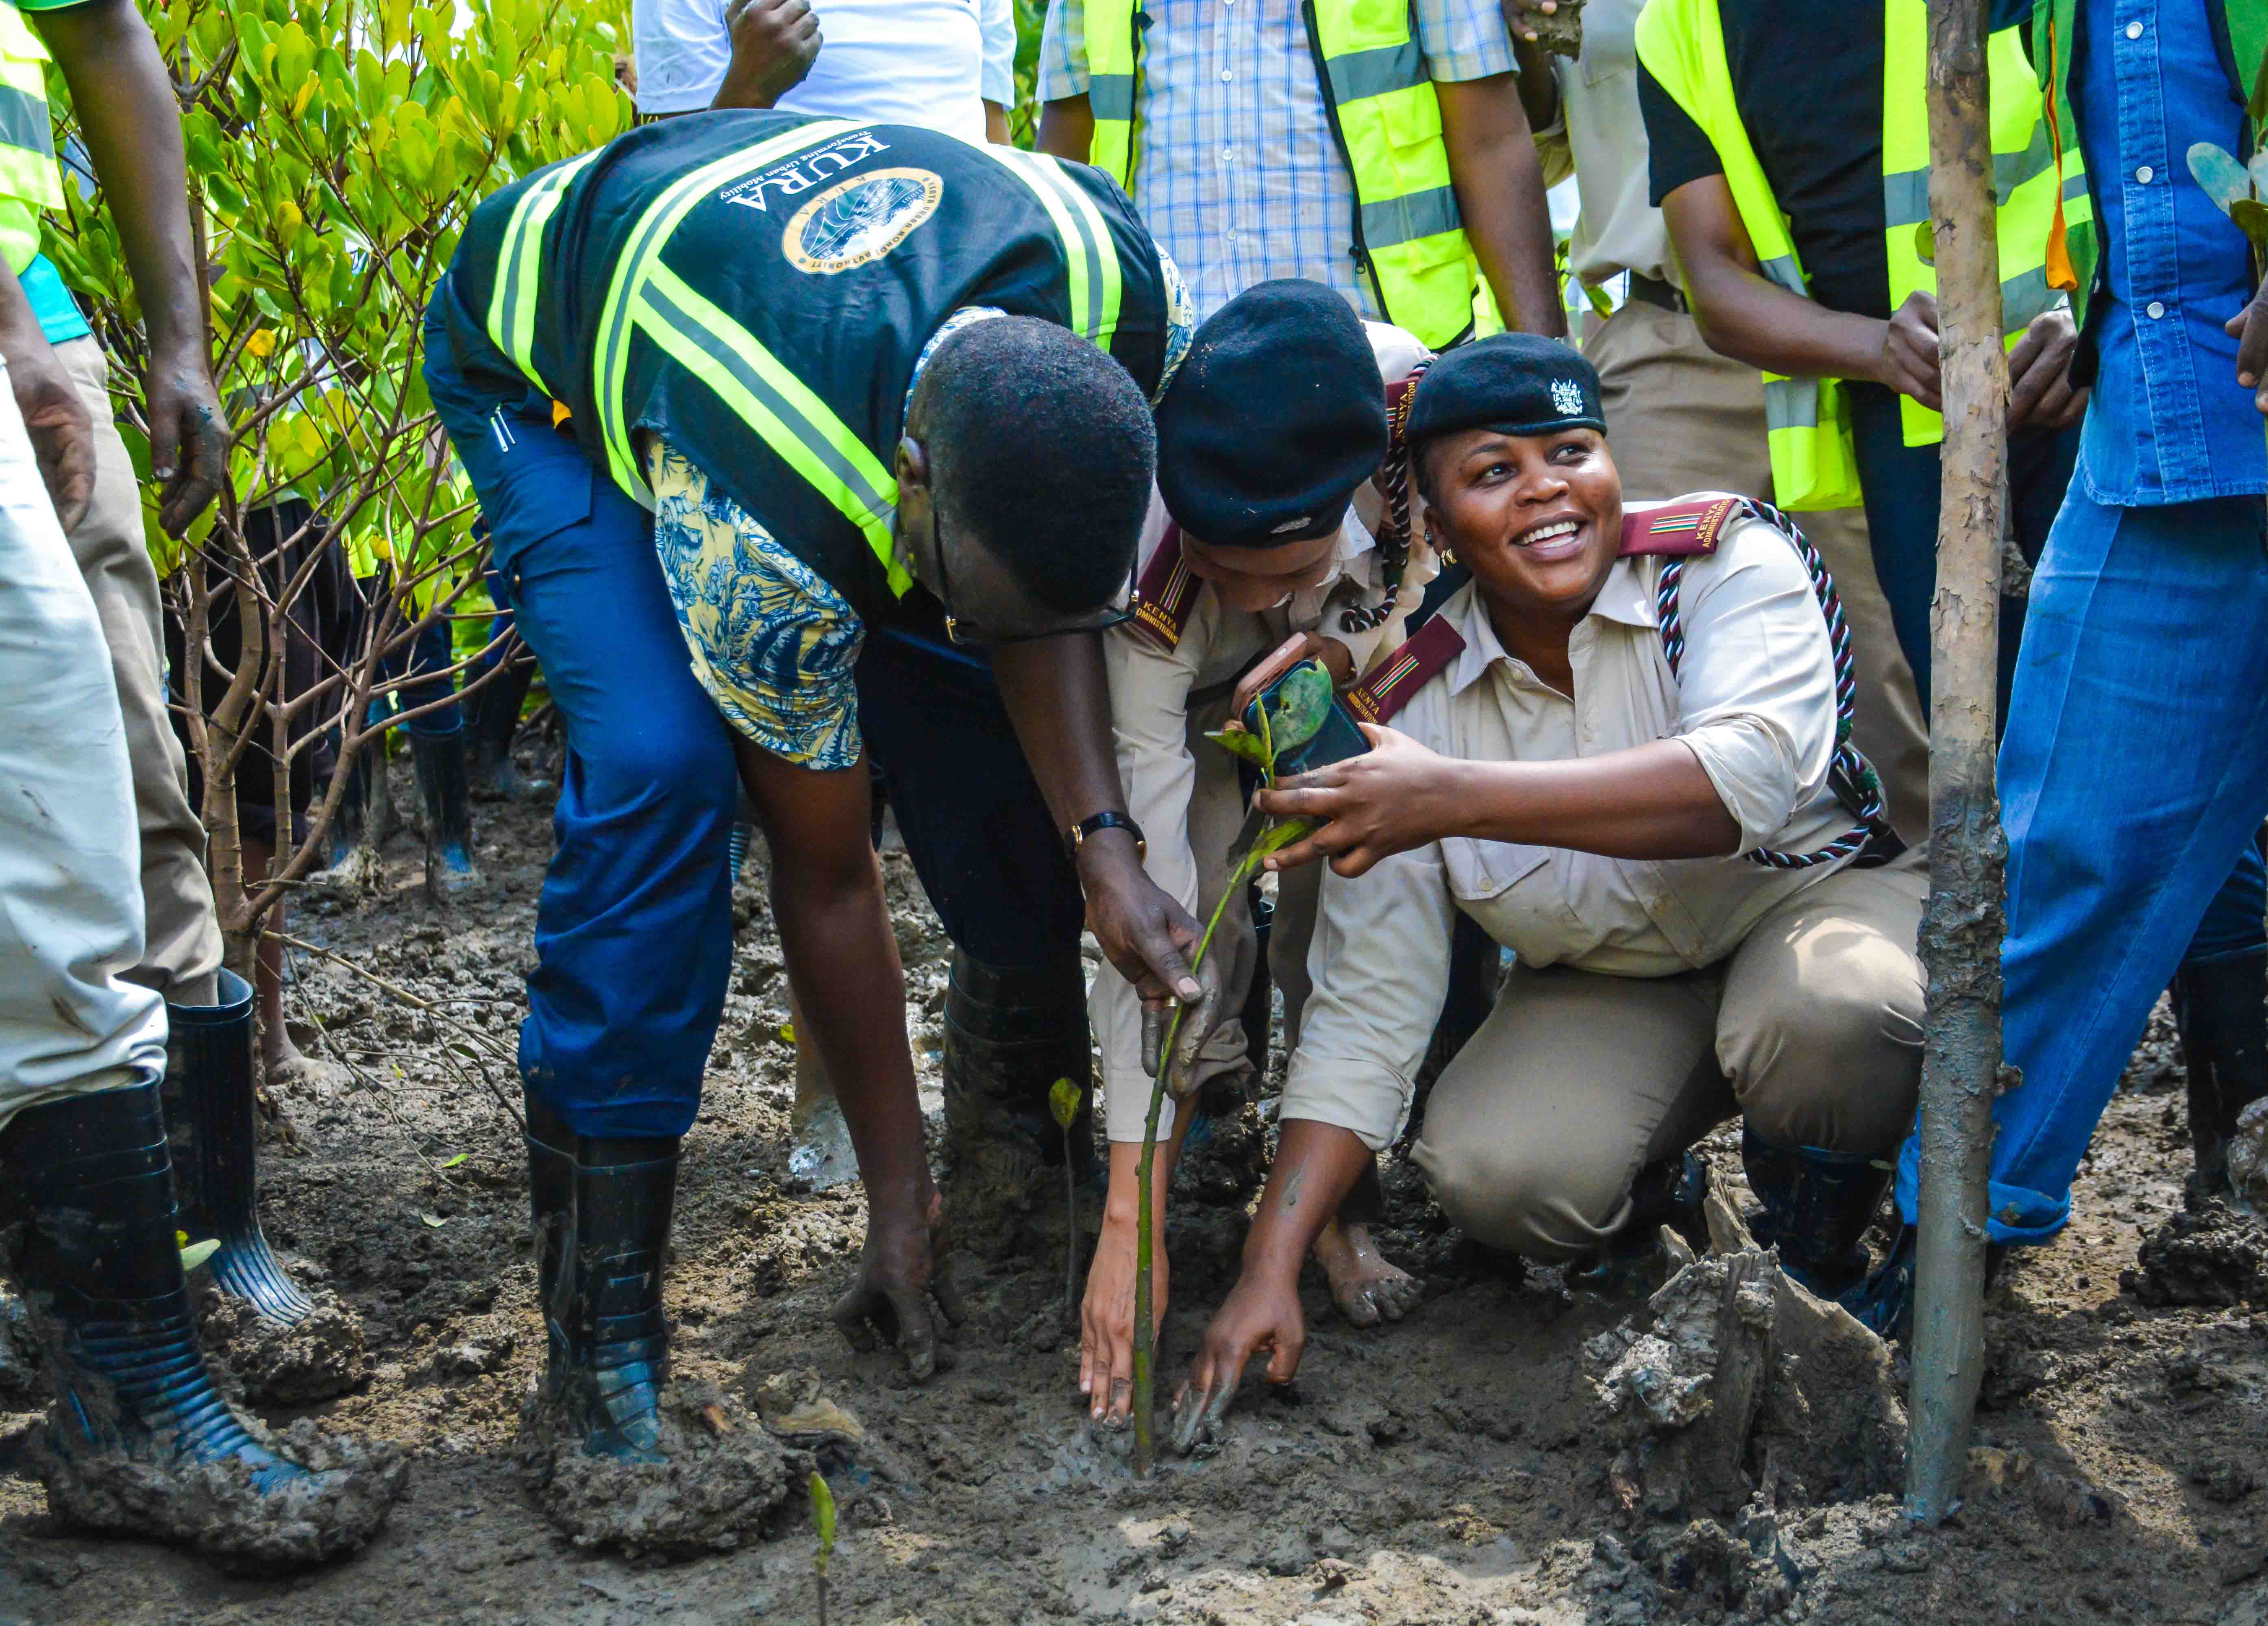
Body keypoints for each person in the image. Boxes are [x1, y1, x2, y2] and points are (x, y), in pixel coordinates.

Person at [425, 111, 1206, 1543]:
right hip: (554, 350)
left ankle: (1017, 1143)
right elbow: (830, 875)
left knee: (979, 699)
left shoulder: (1111, 282)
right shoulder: (761, 526)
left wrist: (1104, 841)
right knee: (661, 774)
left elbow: (1048, 612)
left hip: (792, 284)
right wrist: (891, 1204)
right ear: (908, 484)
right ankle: (602, 1351)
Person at [1880, 0, 2268, 1535]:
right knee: (2054, 859)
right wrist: (2099, 290)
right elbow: (2158, 96)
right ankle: (1940, 1270)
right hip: (2176, 412)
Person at [1169, 335, 1928, 1442]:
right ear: (1434, 521)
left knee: (1838, 1020)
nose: (1546, 491)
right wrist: (1265, 1268)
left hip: (1804, 904)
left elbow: (1744, 783)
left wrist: (1454, 798)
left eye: (1572, 451)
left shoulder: (1720, 562)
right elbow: (1369, 1005)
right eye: (1492, 474)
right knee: (1494, 1172)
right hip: (1618, 979)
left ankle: (1821, 1230)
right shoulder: (1413, 698)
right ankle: (1647, 1231)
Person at [1635, 0, 2268, 1206]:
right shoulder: (1683, 25)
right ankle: (1988, 1173)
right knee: (1998, 779)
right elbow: (1712, 276)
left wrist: (2076, 319)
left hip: (2093, 383)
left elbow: (2123, 127)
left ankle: (2242, 1152)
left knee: (2173, 748)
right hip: (1913, 431)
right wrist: (1876, 348)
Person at [0, 208, 403, 1573]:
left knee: (107, 796)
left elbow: (105, 35)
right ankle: (118, 1371)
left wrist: (121, 339)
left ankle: (188, 1266)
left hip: (26, 325)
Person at [0, 0, 333, 1330]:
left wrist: (175, 346)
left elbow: (104, 36)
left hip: (34, 330)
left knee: (139, 775)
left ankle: (202, 1233)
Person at [1078, 278, 1436, 1426]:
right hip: (1181, 701)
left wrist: (1330, 646)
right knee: (1204, 930)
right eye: (1229, 569)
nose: (1252, 595)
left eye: (1273, 572)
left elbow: (1424, 587)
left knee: (1357, 885)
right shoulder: (1147, 579)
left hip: (1362, 650)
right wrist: (1127, 1225)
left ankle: (1329, 1204)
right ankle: (1170, 1187)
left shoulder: (1403, 414)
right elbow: (1145, 909)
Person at [1505, 0, 1931, 846]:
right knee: (1644, 652)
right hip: (1674, 341)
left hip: (1869, 332)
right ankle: (1667, 939)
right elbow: (1525, 136)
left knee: (1889, 675)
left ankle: (1908, 937)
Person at [1034, 0, 1567, 350]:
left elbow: (1490, 140)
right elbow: (1064, 164)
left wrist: (1547, 363)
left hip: (1388, 360)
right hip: (1170, 364)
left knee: (1403, 526)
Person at [632, 0, 1019, 142]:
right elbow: (681, 184)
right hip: (795, 274)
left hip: (964, 265)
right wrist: (750, 88)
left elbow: (994, 141)